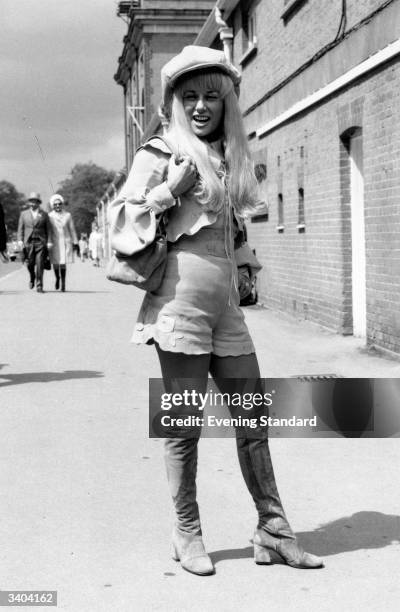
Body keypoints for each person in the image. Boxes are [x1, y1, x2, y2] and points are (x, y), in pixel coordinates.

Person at [110, 46, 323, 575]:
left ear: (227, 101)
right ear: (176, 102)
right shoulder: (159, 153)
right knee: (184, 426)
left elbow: (233, 227)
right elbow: (122, 223)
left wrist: (246, 263)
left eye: (211, 95)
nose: (201, 106)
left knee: (253, 420)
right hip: (178, 307)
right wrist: (167, 191)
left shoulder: (230, 156)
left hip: (227, 309)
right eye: (190, 97)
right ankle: (187, 535)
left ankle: (272, 531)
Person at [17, 192, 53, 292]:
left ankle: (39, 285)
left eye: (35, 202)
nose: (32, 204)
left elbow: (48, 229)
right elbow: (21, 229)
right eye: (31, 202)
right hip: (28, 243)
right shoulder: (23, 214)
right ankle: (32, 276)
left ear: (38, 203)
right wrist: (20, 240)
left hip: (40, 243)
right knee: (30, 264)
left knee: (40, 263)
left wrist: (49, 241)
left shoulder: (44, 214)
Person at [48, 194, 78, 292]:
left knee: (63, 263)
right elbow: (48, 230)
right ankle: (57, 278)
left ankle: (63, 283)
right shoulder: (50, 216)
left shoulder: (67, 215)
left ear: (62, 204)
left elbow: (72, 229)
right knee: (56, 263)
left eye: (59, 204)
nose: (57, 206)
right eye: (55, 204)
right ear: (53, 205)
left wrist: (75, 242)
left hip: (66, 241)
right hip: (54, 241)